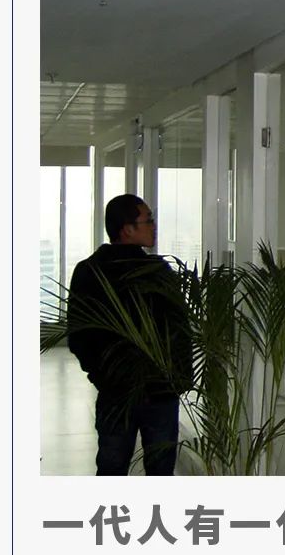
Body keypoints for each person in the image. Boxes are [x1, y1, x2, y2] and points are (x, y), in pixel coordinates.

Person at [66, 194, 191, 476]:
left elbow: (178, 328)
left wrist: (177, 378)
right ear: (127, 229)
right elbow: (81, 334)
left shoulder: (154, 270)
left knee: (118, 468)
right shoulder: (95, 272)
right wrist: (104, 376)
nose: (154, 226)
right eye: (148, 220)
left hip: (147, 390)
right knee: (144, 470)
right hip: (133, 392)